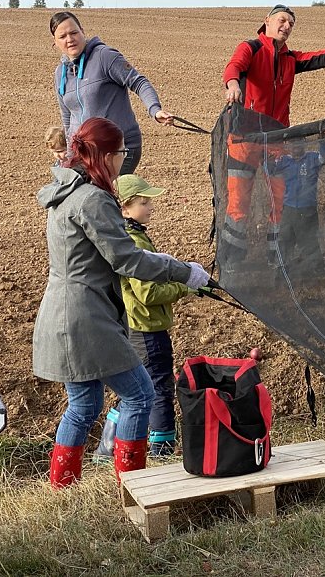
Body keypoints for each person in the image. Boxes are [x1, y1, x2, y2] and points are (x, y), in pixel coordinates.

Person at [33, 117, 210, 489]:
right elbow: (127, 259)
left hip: (61, 314)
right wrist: (183, 271)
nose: (123, 161)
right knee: (140, 394)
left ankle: (62, 489)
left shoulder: (63, 193)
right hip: (86, 317)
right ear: (106, 155)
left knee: (83, 406)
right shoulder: (92, 199)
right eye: (121, 154)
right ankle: (134, 487)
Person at [219, 4, 325, 267]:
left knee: (281, 200)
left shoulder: (291, 59)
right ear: (267, 21)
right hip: (244, 138)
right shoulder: (251, 48)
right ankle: (232, 262)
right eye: (282, 20)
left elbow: (318, 57)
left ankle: (276, 258)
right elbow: (234, 66)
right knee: (238, 202)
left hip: (277, 139)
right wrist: (233, 84)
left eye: (291, 23)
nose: (287, 26)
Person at [92, 174, 194, 461]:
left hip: (133, 327)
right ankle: (163, 453)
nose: (150, 207)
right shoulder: (134, 241)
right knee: (159, 387)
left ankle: (107, 448)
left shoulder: (127, 235)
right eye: (143, 202)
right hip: (147, 327)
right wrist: (185, 286)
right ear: (124, 209)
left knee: (137, 386)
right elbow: (148, 293)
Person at [49, 11, 174, 175]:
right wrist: (70, 157)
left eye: (74, 32)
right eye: (63, 36)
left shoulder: (104, 57)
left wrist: (155, 110)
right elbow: (67, 117)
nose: (70, 39)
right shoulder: (60, 74)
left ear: (82, 31)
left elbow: (138, 82)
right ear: (55, 42)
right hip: (87, 153)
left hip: (119, 149)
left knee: (102, 197)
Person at [269, 138, 325, 273]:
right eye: (293, 143)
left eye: (299, 142)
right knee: (285, 238)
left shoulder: (312, 158)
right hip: (289, 208)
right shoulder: (285, 160)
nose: (296, 146)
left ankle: (316, 269)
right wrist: (268, 156)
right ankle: (282, 268)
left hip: (307, 209)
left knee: (309, 240)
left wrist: (323, 139)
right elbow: (271, 169)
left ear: (304, 144)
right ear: (289, 146)